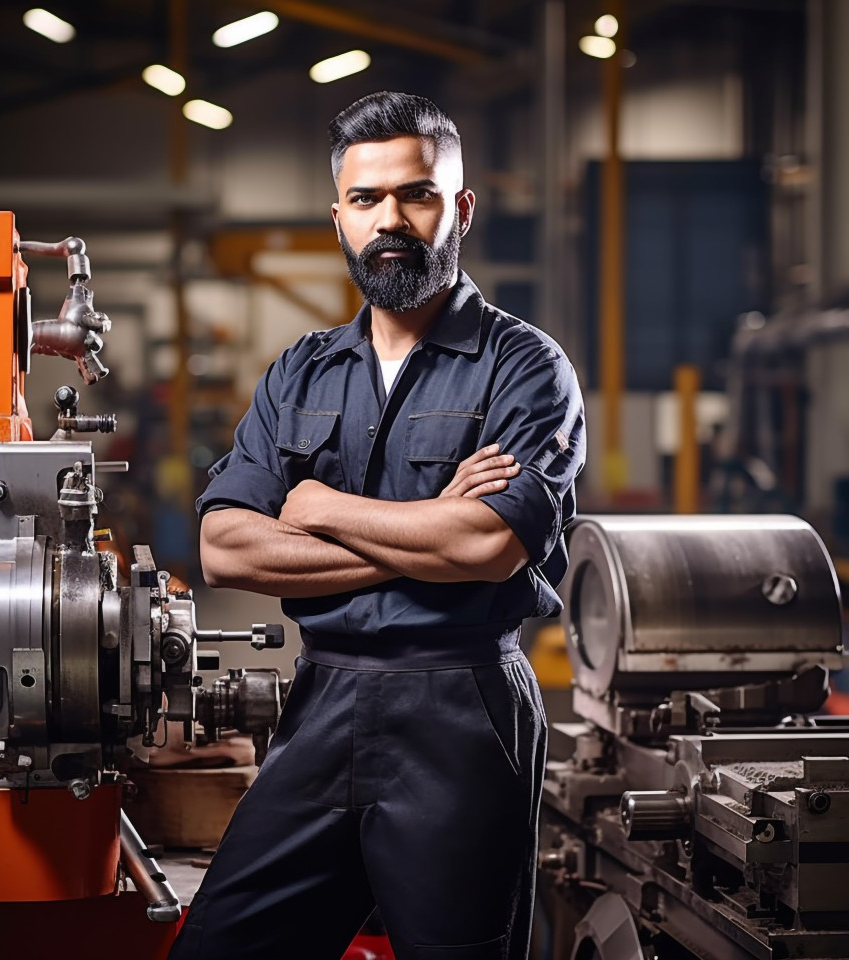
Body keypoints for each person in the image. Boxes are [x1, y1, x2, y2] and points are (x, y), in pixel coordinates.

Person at [169, 91, 586, 960]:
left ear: (460, 207)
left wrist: (316, 508)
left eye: (417, 195)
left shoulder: (526, 368)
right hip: (322, 701)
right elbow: (223, 546)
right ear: (339, 218)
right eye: (366, 201)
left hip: (462, 712)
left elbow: (487, 545)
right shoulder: (303, 369)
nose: (390, 219)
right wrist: (429, 533)